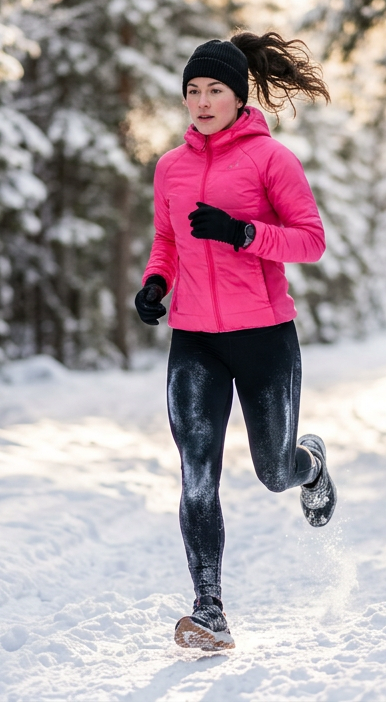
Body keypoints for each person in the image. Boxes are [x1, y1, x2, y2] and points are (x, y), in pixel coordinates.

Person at [134, 32, 338, 652]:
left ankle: (310, 465)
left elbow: (310, 240)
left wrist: (242, 233)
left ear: (238, 96)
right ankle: (209, 610)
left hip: (263, 336)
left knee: (273, 472)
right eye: (192, 91)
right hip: (194, 339)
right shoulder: (170, 167)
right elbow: (166, 240)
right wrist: (155, 282)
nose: (201, 102)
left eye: (214, 90)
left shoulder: (271, 160)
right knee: (197, 474)